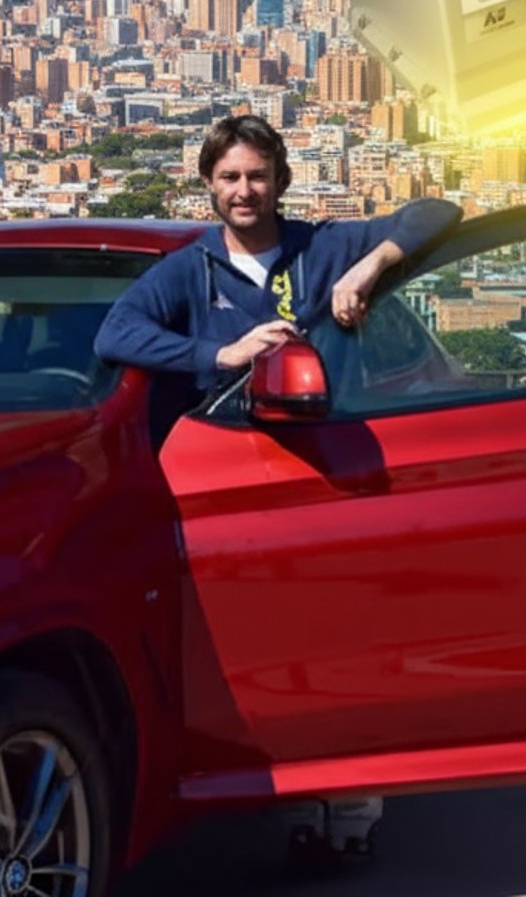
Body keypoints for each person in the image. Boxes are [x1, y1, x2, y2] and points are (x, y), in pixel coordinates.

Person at [94, 113, 461, 859]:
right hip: (228, 479)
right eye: (229, 177)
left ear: (281, 180)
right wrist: (219, 351)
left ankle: (353, 796)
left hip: (327, 470)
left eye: (257, 175)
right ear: (208, 185)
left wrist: (371, 264)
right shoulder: (190, 271)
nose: (244, 190)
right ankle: (291, 789)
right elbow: (116, 333)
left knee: (343, 637)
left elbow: (437, 212)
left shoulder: (323, 247)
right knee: (267, 646)